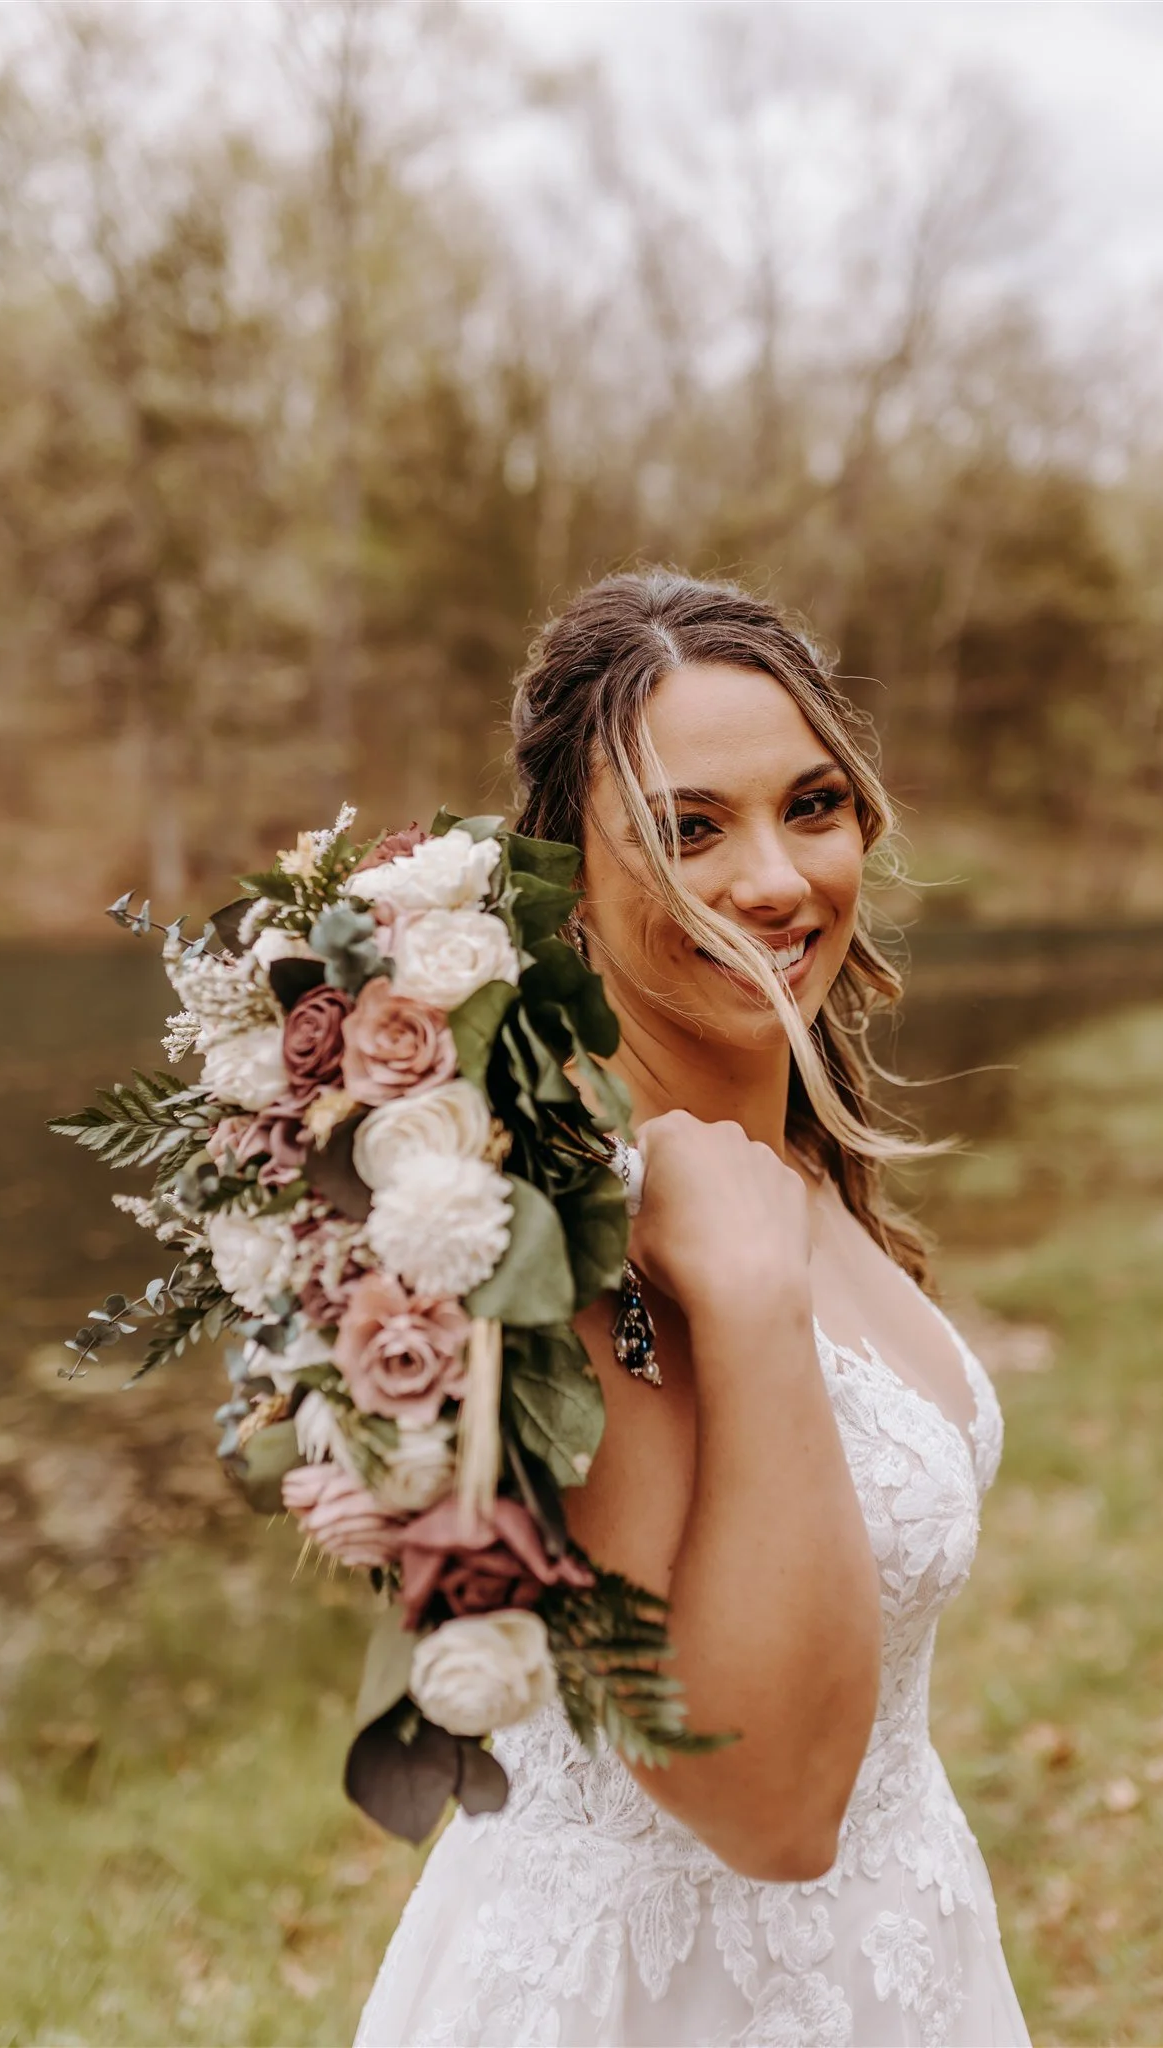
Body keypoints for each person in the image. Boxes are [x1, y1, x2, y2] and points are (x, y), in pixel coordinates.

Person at [354, 570, 1031, 2048]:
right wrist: (743, 1300)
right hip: (653, 1998)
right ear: (563, 886)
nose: (778, 881)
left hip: (900, 1950)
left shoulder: (798, 1167)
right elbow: (772, 1806)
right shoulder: (572, 1245)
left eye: (815, 805)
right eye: (689, 831)